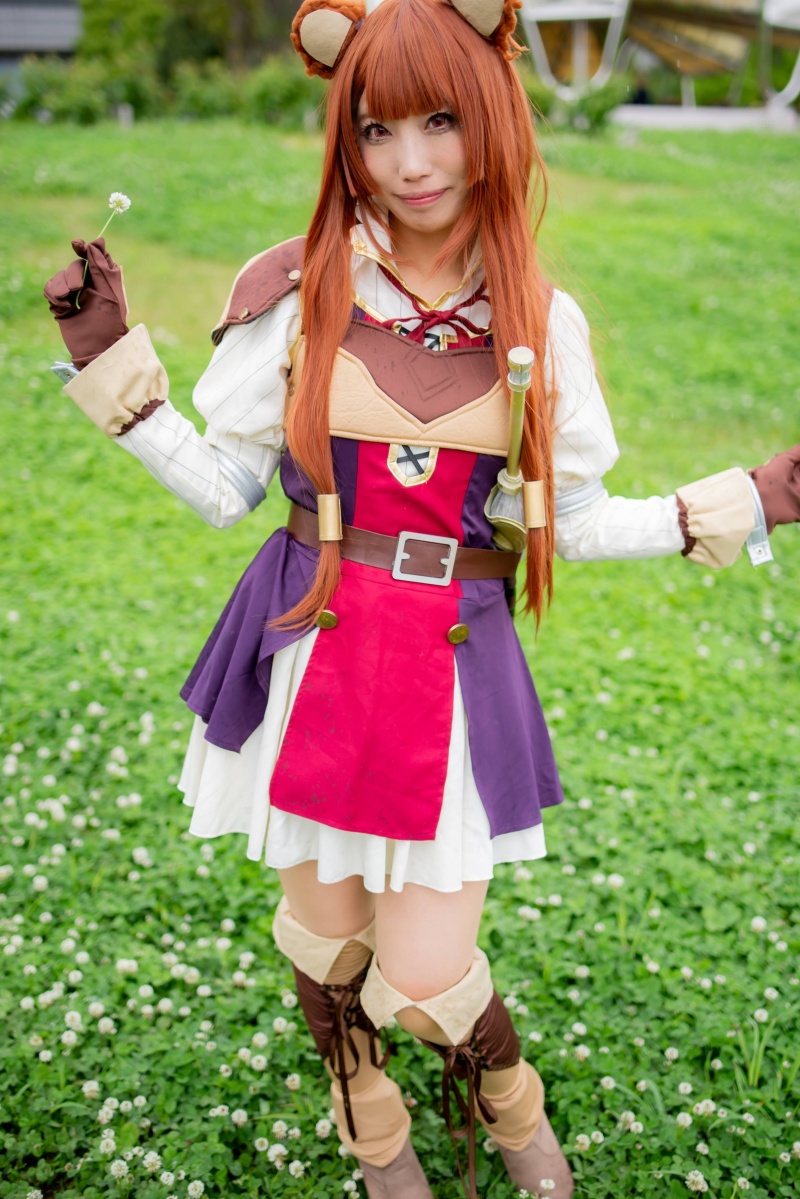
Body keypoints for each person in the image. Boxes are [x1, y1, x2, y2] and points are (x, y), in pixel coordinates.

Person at [43, 1, 800, 1196]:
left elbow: (570, 519)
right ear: (344, 138)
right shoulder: (294, 290)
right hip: (308, 646)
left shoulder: (538, 319)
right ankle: (369, 1119)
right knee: (326, 943)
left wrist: (744, 502)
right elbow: (229, 488)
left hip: (446, 665)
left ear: (491, 117)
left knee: (427, 978)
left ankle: (506, 1098)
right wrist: (112, 370)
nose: (409, 162)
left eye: (439, 121)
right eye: (376, 128)